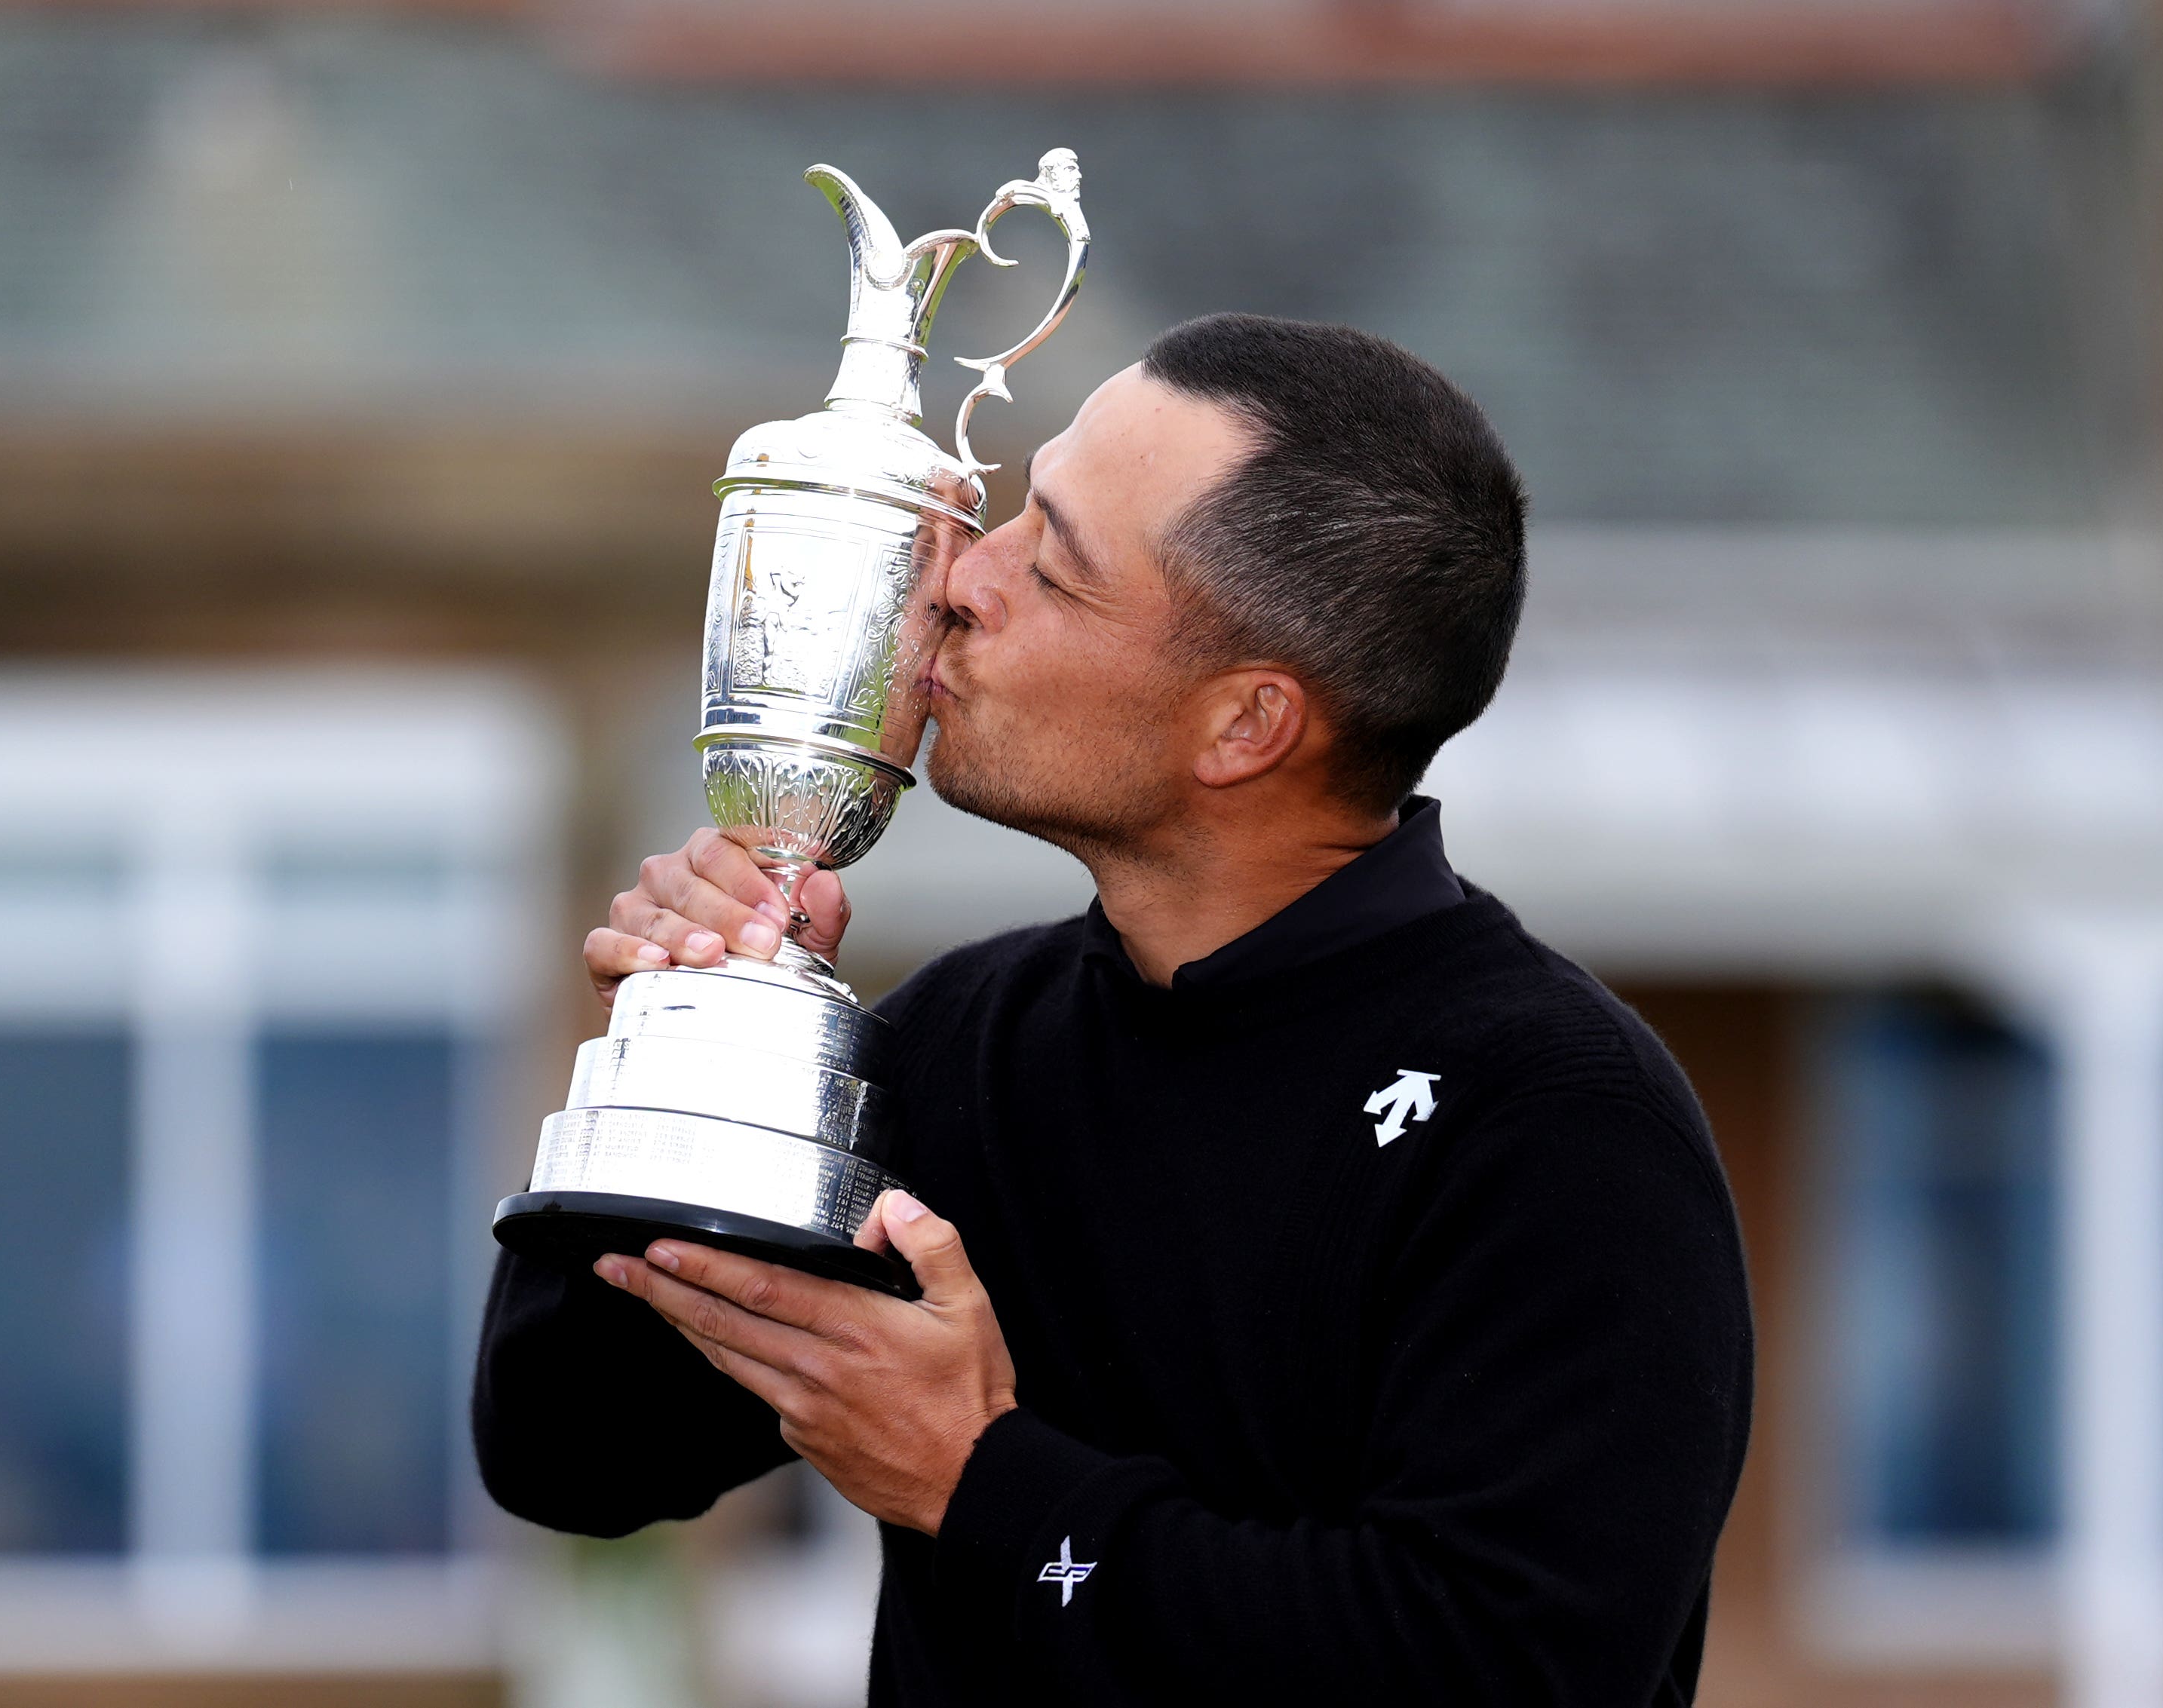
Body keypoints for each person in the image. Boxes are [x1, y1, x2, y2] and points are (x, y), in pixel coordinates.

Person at [473, 313, 1753, 1706]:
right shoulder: (969, 1035)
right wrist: (691, 1057)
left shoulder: (1556, 1120)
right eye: (1013, 512)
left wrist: (984, 1484)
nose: (961, 576)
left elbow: (1501, 1671)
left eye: (1057, 565)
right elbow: (567, 1452)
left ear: (1245, 725)